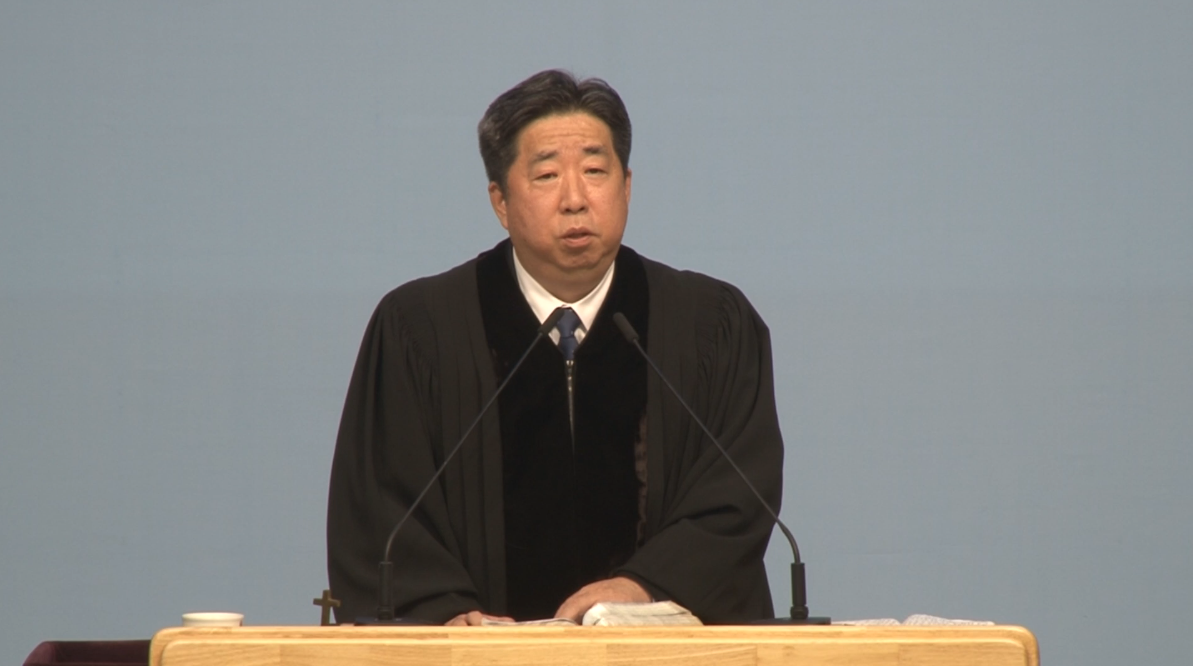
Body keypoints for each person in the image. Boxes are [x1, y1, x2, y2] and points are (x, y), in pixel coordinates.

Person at [326, 69, 785, 626]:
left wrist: (644, 586)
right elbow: (379, 509)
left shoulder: (711, 325)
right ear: (500, 201)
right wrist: (446, 613)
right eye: (546, 175)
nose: (575, 200)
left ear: (627, 187)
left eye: (595, 171)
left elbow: (736, 499)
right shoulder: (419, 330)